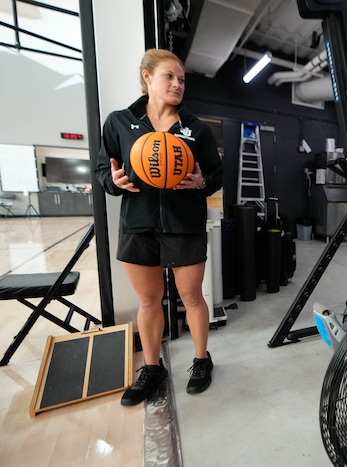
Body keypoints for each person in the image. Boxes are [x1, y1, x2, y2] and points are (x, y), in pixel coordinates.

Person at [95, 48, 224, 406]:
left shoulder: (195, 128)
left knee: (192, 297)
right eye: (170, 76)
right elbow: (102, 168)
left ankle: (201, 360)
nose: (178, 84)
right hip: (139, 223)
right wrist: (113, 182)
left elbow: (216, 174)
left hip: (184, 224)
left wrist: (201, 183)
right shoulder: (120, 122)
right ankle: (153, 368)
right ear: (147, 77)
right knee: (149, 300)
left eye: (182, 79)